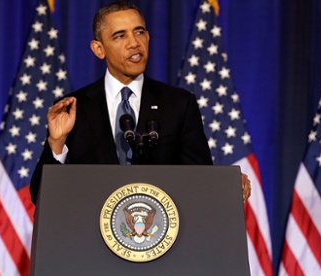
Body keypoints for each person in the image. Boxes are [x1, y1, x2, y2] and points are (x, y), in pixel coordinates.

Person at [29, 1, 251, 204]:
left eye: (139, 32)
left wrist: (226, 184)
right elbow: (40, 195)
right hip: (91, 239)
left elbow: (200, 179)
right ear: (99, 49)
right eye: (120, 36)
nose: (134, 43)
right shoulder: (74, 108)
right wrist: (56, 144)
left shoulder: (179, 104)